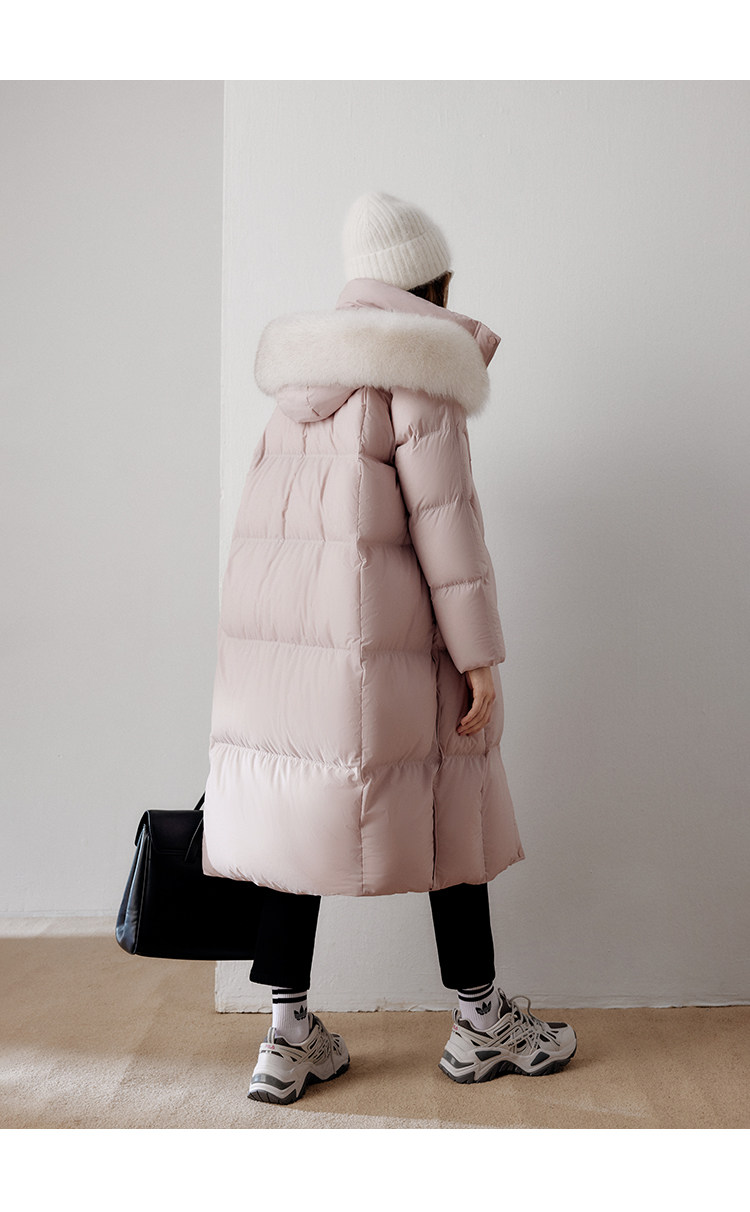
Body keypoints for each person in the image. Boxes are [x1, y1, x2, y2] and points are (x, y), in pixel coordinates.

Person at [202, 192, 577, 1104]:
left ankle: (287, 1037)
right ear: (430, 284)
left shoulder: (299, 385)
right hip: (391, 651)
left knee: (296, 823)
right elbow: (446, 523)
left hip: (287, 657)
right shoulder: (420, 365)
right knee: (454, 802)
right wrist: (478, 656)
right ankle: (482, 1022)